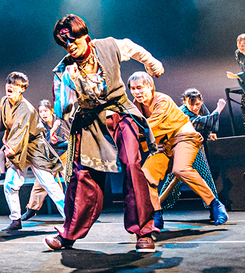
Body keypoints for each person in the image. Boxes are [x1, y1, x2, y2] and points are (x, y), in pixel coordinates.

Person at [44, 13, 161, 253]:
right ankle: (68, 235)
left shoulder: (107, 46)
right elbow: (61, 108)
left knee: (131, 164)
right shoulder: (64, 70)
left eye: (73, 41)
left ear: (84, 36)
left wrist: (151, 63)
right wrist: (71, 84)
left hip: (120, 113)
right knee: (81, 175)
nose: (69, 47)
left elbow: (132, 47)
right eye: (64, 43)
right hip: (88, 122)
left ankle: (144, 231)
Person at [128, 72, 228, 229]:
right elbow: (141, 127)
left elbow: (148, 126)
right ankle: (157, 213)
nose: (136, 92)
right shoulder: (137, 105)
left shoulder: (162, 100)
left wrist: (136, 135)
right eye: (133, 89)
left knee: (181, 169)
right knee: (146, 175)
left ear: (150, 86)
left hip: (184, 137)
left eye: (140, 88)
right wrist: (152, 144)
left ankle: (214, 203)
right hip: (163, 144)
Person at [0, 72, 65, 231]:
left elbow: (21, 130)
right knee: (9, 184)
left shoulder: (26, 108)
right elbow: (7, 126)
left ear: (21, 89)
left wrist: (11, 148)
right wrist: (6, 140)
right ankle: (15, 219)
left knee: (49, 184)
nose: (10, 86)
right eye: (9, 82)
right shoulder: (4, 101)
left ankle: (70, 220)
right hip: (17, 146)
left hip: (34, 147)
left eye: (15, 84)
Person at [159, 89, 225, 212]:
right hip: (181, 146)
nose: (195, 107)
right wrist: (219, 108)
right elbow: (202, 122)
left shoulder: (201, 107)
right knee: (173, 179)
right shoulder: (182, 112)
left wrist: (210, 133)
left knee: (204, 176)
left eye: (198, 104)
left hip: (195, 145)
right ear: (184, 102)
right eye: (191, 104)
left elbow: (206, 122)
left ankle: (214, 208)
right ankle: (158, 208)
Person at [22, 100, 71, 221]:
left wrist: (55, 131)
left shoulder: (61, 120)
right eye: (40, 111)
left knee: (70, 180)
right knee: (40, 184)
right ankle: (32, 209)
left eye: (45, 110)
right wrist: (51, 131)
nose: (43, 114)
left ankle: (76, 210)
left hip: (64, 156)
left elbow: (66, 140)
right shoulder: (39, 125)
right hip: (49, 158)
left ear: (51, 111)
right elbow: (43, 142)